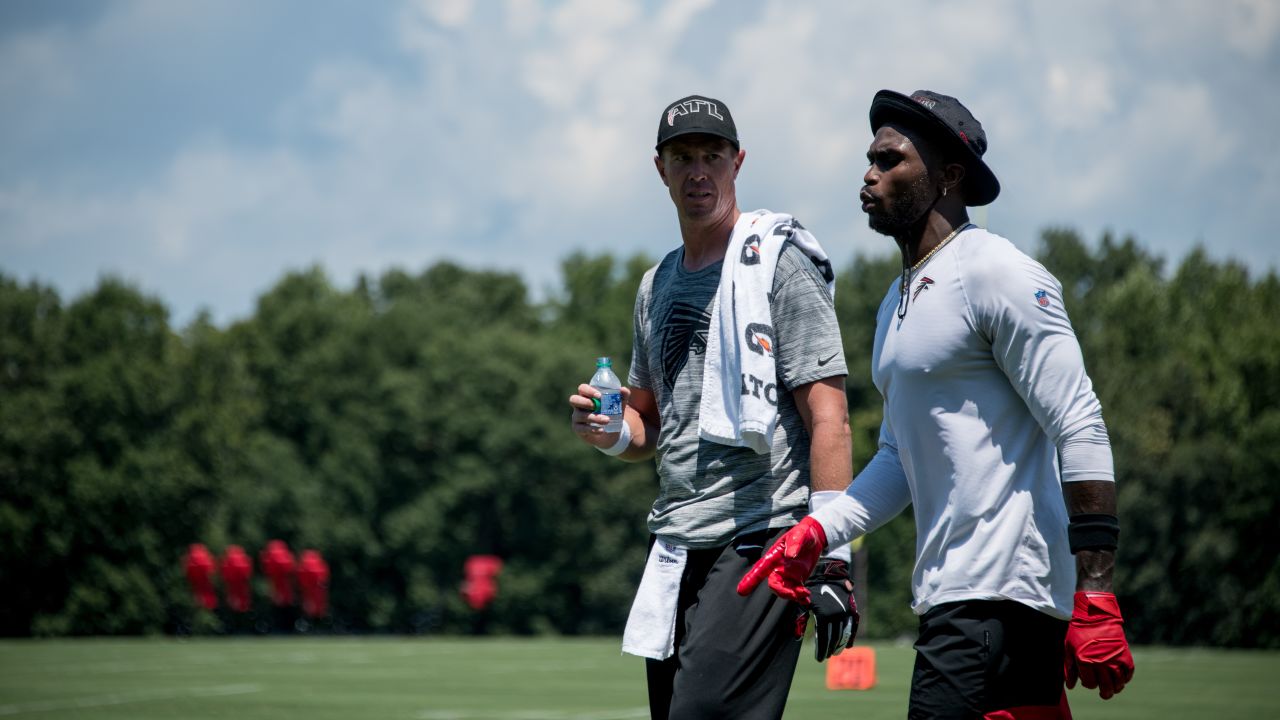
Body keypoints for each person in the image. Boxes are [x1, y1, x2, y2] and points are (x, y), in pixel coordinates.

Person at [739, 89, 1136, 719]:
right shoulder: (893, 306)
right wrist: (819, 531)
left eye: (891, 160)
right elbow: (898, 459)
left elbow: (1080, 424)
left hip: (1000, 594)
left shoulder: (997, 272)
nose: (870, 173)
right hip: (957, 598)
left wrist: (1096, 594)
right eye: (870, 158)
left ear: (950, 176)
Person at [569, 94, 857, 719]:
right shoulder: (656, 283)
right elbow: (650, 425)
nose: (698, 171)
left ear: (737, 163)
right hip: (676, 539)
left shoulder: (779, 264)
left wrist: (832, 558)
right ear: (660, 169)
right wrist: (608, 430)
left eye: (712, 156)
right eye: (682, 157)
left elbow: (829, 416)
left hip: (764, 536)